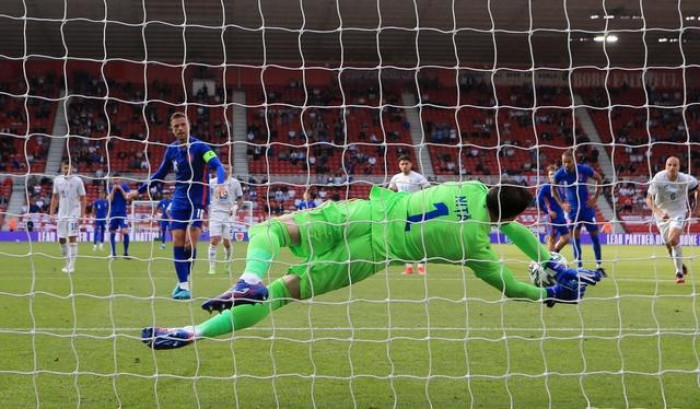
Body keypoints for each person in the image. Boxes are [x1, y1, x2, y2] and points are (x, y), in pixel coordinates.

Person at [141, 181, 603, 350]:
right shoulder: (476, 247)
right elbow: (512, 287)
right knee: (280, 295)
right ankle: (194, 333)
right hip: (366, 257)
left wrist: (545, 256)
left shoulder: (470, 186)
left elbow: (508, 221)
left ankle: (248, 277)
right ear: (507, 217)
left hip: (365, 213)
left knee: (273, 229)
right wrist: (547, 288)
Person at [127, 112, 226, 299]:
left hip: (198, 197)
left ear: (188, 125)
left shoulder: (200, 147)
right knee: (178, 240)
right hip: (179, 198)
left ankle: (184, 282)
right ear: (172, 130)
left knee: (190, 241)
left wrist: (220, 184)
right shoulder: (171, 150)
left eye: (182, 125)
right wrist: (139, 191)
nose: (180, 128)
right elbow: (159, 174)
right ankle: (184, 286)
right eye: (176, 126)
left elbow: (218, 166)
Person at [552, 151, 606, 276]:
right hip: (573, 211)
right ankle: (579, 268)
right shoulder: (560, 173)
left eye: (568, 162)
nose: (566, 164)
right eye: (564, 162)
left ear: (574, 160)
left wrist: (595, 198)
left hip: (587, 209)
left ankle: (599, 266)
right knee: (575, 239)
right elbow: (553, 188)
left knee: (595, 237)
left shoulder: (583, 169)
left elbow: (599, 178)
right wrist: (562, 204)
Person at [646, 156, 698, 284]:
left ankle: (679, 273)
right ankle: (676, 259)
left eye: (675, 165)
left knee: (673, 239)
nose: (672, 167)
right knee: (668, 244)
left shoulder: (685, 179)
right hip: (662, 214)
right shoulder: (658, 178)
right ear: (665, 166)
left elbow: (698, 187)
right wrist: (659, 213)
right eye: (669, 165)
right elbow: (648, 199)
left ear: (679, 167)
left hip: (679, 213)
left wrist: (697, 208)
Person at [388, 154, 430, 275]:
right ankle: (409, 267)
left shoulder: (418, 177)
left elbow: (428, 189)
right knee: (405, 239)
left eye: (406, 163)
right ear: (399, 165)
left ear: (411, 164)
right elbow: (390, 191)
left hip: (416, 209)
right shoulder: (396, 178)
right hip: (402, 211)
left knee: (419, 237)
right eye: (402, 164)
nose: (404, 166)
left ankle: (421, 266)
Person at [49, 161, 86, 273]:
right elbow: (55, 197)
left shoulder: (78, 181)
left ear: (73, 168)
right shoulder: (57, 180)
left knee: (72, 237)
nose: (67, 170)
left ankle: (72, 266)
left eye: (69, 168)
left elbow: (83, 198)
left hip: (74, 212)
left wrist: (82, 215)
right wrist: (51, 213)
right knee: (61, 239)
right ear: (62, 168)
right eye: (65, 168)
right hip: (62, 213)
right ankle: (67, 263)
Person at [208, 165, 243, 275]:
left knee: (227, 242)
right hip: (215, 213)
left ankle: (227, 263)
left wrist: (236, 207)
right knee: (215, 239)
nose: (225, 170)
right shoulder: (212, 182)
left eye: (228, 169)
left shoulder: (235, 183)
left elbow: (240, 198)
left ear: (231, 170)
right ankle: (212, 267)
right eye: (223, 168)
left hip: (228, 215)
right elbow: (207, 197)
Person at [537, 165, 570, 253]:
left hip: (561, 216)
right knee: (552, 238)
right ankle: (551, 259)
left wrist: (566, 205)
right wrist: (548, 211)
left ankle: (555, 253)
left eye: (554, 174)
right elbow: (538, 200)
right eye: (550, 174)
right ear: (548, 176)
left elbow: (563, 200)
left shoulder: (560, 187)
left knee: (566, 238)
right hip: (552, 217)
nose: (552, 176)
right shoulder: (546, 186)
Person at [107, 176, 131, 259]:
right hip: (113, 213)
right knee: (112, 232)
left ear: (120, 179)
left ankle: (126, 252)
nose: (115, 180)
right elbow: (110, 199)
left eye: (117, 179)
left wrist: (120, 189)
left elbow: (127, 197)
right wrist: (113, 190)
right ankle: (113, 253)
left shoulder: (125, 187)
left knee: (125, 231)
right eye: (114, 179)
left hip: (122, 213)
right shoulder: (110, 187)